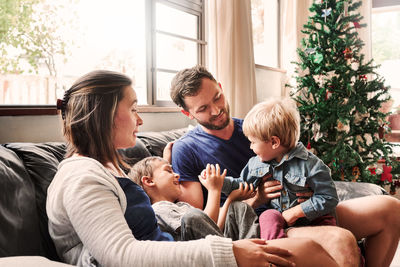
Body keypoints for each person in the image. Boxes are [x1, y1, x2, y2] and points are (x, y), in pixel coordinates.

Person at [46, 70, 339, 267]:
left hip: (187, 247)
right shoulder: (81, 179)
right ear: (105, 116)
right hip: (194, 252)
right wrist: (230, 252)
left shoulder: (107, 168)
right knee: (311, 251)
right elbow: (121, 254)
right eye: (133, 108)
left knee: (320, 247)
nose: (140, 120)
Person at [170, 65, 400, 267]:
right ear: (186, 113)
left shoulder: (255, 126)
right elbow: (198, 225)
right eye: (202, 108)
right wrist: (255, 200)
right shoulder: (186, 149)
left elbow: (297, 160)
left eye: (217, 97)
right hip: (262, 225)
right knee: (341, 240)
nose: (216, 109)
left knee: (390, 208)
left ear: (220, 87)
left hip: (303, 207)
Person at [219, 98, 338, 240]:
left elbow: (329, 197)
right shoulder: (256, 164)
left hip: (311, 219)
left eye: (253, 142)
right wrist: (220, 182)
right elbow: (242, 185)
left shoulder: (311, 165)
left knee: (329, 224)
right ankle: (276, 251)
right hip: (280, 219)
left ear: (274, 142)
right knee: (268, 216)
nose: (250, 147)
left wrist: (296, 212)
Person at [128, 156, 259, 241]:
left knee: (238, 207)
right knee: (193, 217)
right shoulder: (158, 210)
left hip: (218, 245)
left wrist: (231, 200)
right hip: (201, 256)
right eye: (169, 171)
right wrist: (214, 190)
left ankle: (256, 252)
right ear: (149, 181)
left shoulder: (181, 206)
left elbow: (212, 229)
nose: (177, 175)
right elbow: (202, 226)